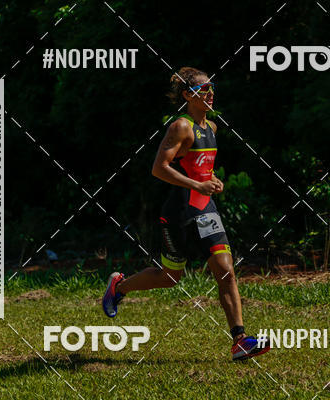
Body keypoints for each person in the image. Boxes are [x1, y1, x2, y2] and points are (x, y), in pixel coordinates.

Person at [102, 67, 270, 361]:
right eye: (204, 89)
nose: (210, 93)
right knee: (170, 277)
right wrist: (198, 185)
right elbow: (159, 168)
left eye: (212, 88)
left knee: (226, 270)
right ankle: (120, 286)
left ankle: (240, 340)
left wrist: (212, 180)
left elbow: (200, 169)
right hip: (178, 213)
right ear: (188, 95)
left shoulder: (212, 128)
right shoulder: (181, 126)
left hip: (206, 210)